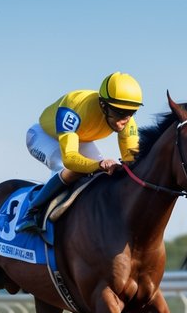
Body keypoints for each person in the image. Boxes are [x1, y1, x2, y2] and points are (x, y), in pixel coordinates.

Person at [17, 72, 143, 234]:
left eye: (131, 112)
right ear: (103, 105)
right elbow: (70, 159)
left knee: (103, 174)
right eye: (118, 112)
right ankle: (31, 212)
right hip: (43, 136)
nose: (124, 120)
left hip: (80, 139)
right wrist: (98, 164)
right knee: (66, 168)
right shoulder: (74, 106)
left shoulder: (127, 120)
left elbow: (132, 159)